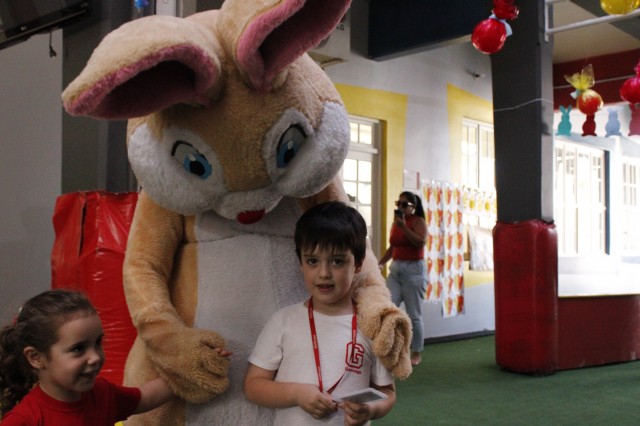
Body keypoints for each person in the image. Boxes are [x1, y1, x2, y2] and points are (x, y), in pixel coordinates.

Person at [244, 201, 396, 425]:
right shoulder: (283, 322)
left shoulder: (372, 326)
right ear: (301, 263)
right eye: (313, 261)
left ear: (357, 264)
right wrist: (296, 394)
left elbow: (388, 392)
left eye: (337, 261)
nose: (324, 273)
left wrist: (370, 410)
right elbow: (253, 386)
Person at [0, 288, 227, 425]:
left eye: (98, 343)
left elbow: (146, 397)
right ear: (36, 357)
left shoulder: (102, 393)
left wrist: (195, 365)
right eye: (78, 349)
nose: (95, 357)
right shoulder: (25, 419)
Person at [378, 191, 427, 367]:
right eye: (398, 203)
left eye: (405, 204)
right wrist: (381, 263)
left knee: (414, 315)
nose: (400, 207)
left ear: (413, 207)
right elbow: (393, 246)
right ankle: (389, 347)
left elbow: (420, 242)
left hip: (413, 271)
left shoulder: (418, 222)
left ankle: (416, 352)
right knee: (387, 308)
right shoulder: (396, 223)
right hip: (396, 270)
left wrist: (404, 227)